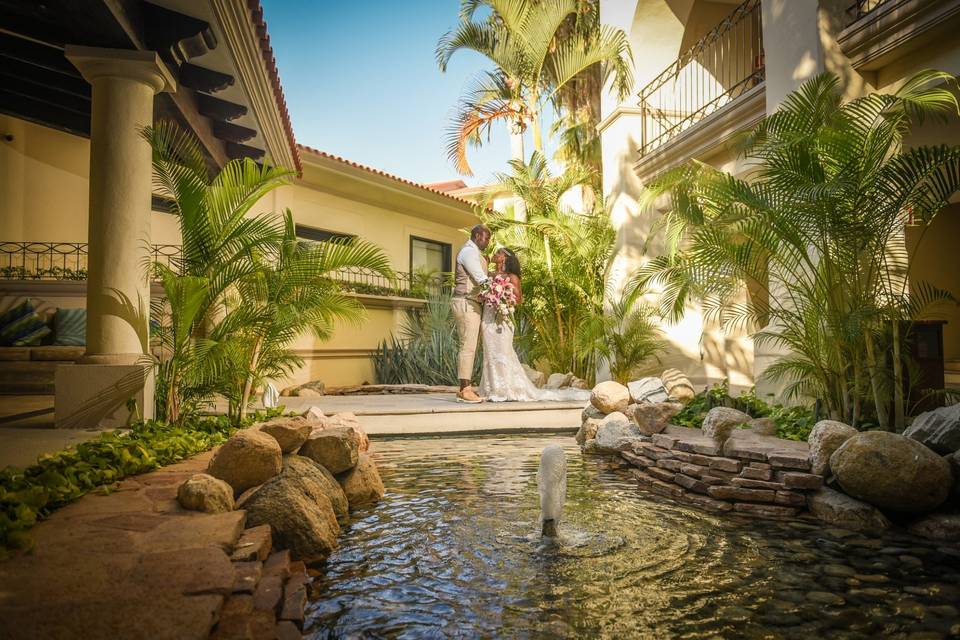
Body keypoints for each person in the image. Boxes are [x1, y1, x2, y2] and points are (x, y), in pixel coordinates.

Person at [478, 247, 590, 403]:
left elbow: (518, 299)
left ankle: (504, 388)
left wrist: (502, 297)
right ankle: (490, 388)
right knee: (490, 352)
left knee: (502, 353)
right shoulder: (489, 275)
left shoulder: (512, 276)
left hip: (503, 318)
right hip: (488, 318)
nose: (494, 255)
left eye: (498, 253)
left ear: (505, 257)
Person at [452, 224, 491, 403]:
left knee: (470, 346)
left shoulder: (475, 253)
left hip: (473, 303)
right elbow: (480, 278)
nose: (488, 242)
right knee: (467, 346)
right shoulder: (468, 252)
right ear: (476, 236)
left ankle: (466, 387)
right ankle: (464, 389)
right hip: (466, 302)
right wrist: (497, 293)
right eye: (486, 238)